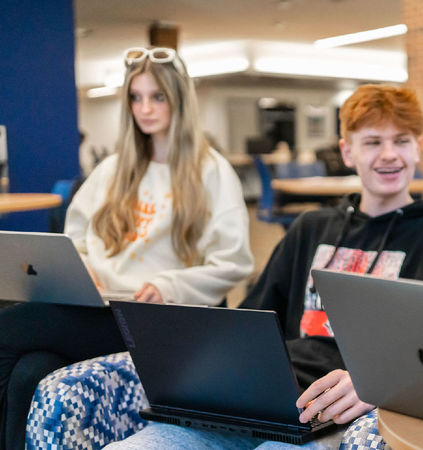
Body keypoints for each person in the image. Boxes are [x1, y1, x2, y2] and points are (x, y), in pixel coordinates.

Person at [104, 84, 423, 449]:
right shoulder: (311, 228)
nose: (389, 154)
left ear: (418, 148)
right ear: (347, 152)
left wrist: (378, 383)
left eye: (401, 140)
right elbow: (252, 319)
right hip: (270, 399)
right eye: (372, 142)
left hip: (340, 412)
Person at [0, 47, 253, 450]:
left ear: (179, 100)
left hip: (156, 320)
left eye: (158, 97)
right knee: (30, 373)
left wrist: (169, 286)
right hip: (98, 306)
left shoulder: (211, 171)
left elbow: (234, 263)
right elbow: (77, 239)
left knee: (8, 328)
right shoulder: (113, 169)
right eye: (136, 97)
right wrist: (82, 269)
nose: (145, 108)